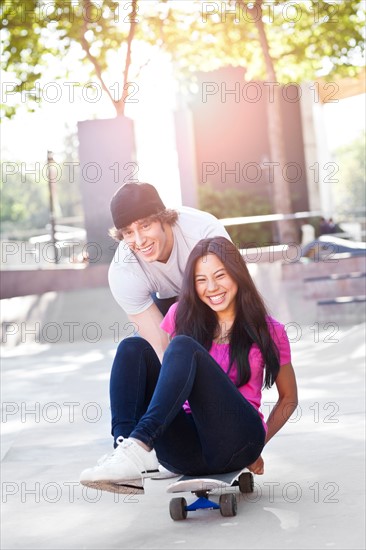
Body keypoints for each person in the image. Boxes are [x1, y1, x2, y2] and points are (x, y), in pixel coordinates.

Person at [80, 236, 298, 494]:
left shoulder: (269, 330)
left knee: (183, 346)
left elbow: (289, 399)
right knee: (132, 348)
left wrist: (258, 445)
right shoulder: (181, 316)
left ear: (237, 274)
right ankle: (127, 453)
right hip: (186, 451)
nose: (212, 287)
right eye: (201, 280)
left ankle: (138, 445)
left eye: (220, 275)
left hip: (237, 441)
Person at [108, 182, 231, 360]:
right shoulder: (124, 271)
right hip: (166, 303)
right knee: (132, 351)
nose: (140, 241)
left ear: (163, 218)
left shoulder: (204, 232)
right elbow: (163, 348)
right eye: (128, 232)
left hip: (211, 296)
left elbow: (232, 293)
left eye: (145, 226)